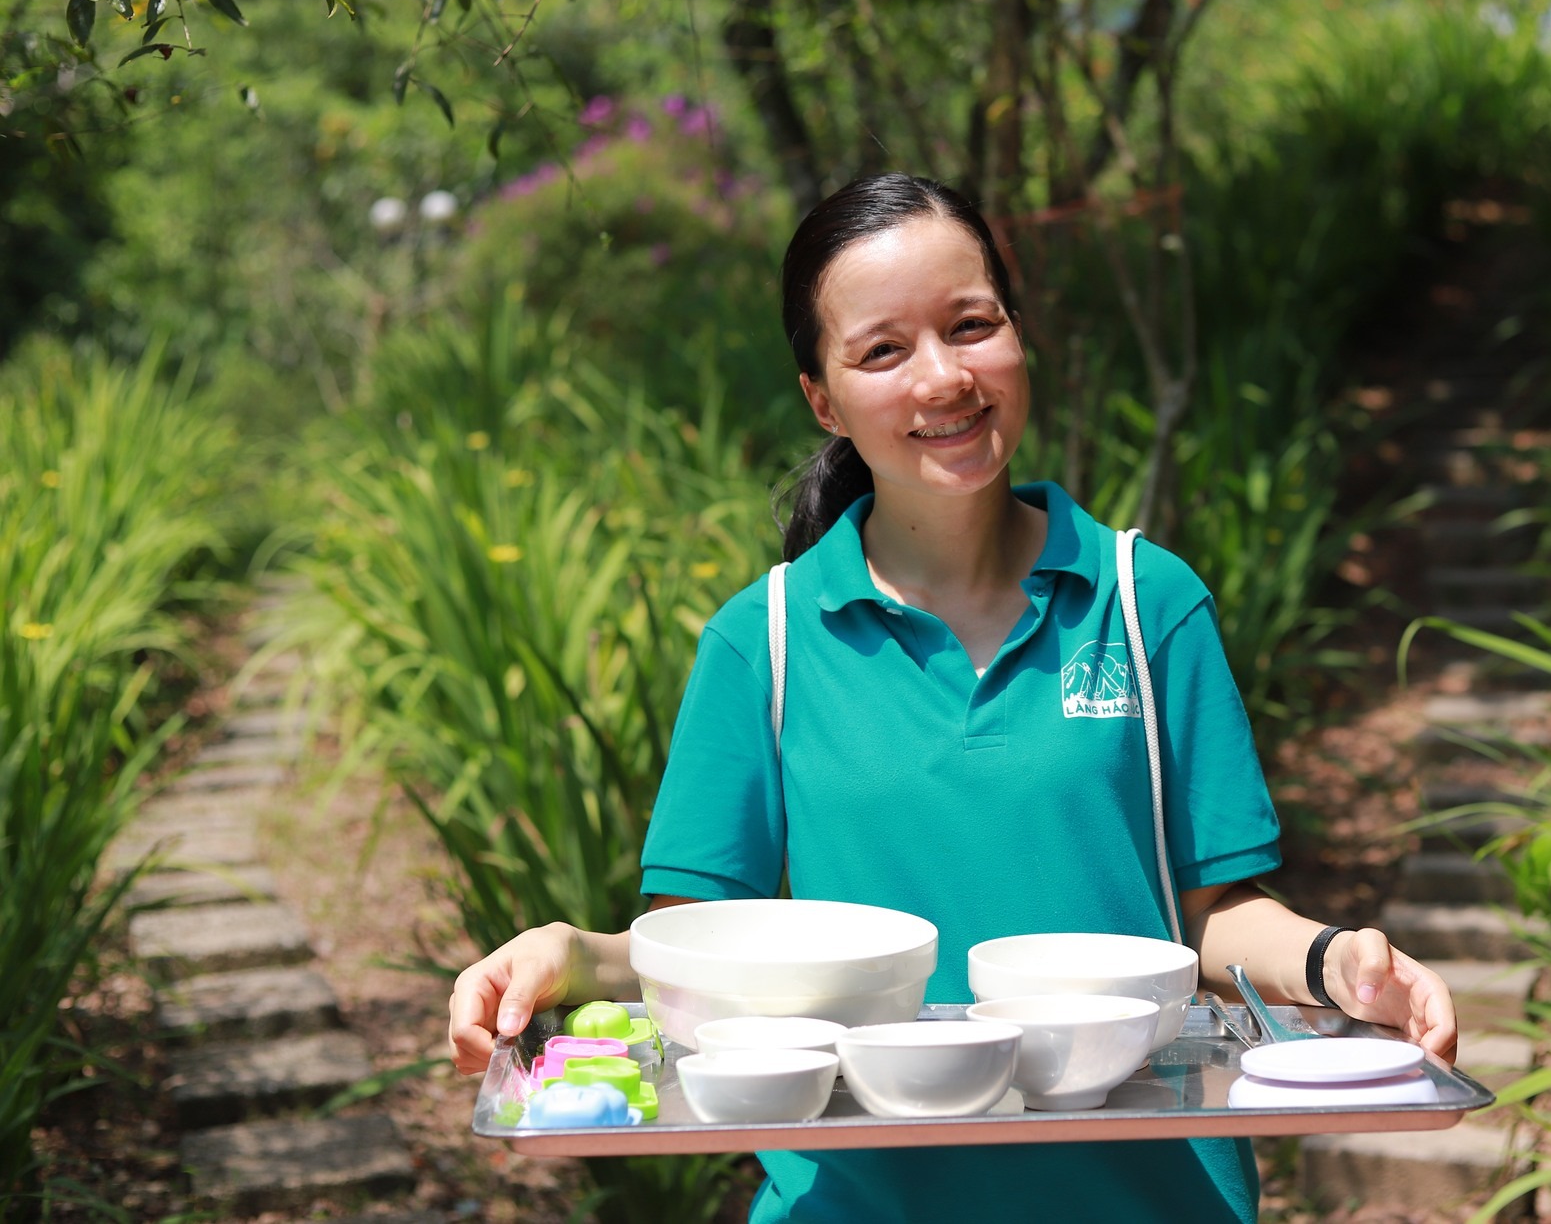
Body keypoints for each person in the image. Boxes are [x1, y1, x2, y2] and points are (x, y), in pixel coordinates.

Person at [447, 173, 1458, 1222]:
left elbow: (1212, 920)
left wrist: (1338, 964)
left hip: (1149, 1198)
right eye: (882, 350)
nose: (943, 378)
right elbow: (700, 961)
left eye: (970, 326)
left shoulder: (1144, 600)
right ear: (822, 399)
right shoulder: (766, 643)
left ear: (1017, 332)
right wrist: (571, 958)